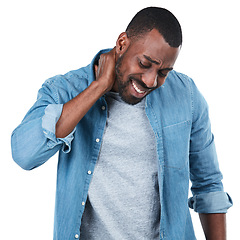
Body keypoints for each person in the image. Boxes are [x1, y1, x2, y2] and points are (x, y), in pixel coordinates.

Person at [11, 7, 232, 240]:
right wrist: (97, 88)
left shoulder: (186, 95)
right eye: (145, 64)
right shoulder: (65, 90)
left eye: (163, 72)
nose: (150, 81)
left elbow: (208, 185)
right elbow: (25, 154)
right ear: (122, 43)